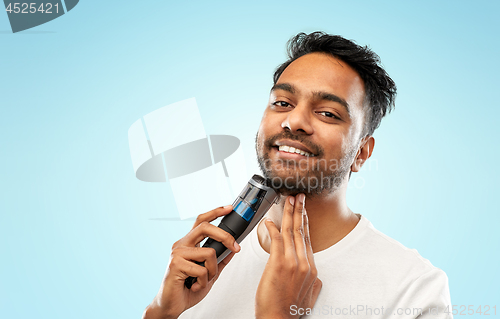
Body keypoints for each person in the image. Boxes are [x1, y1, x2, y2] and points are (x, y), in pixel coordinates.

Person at [142, 32, 452, 319]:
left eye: (328, 113)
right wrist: (161, 312)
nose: (294, 121)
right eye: (282, 103)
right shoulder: (203, 262)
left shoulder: (414, 288)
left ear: (361, 153)